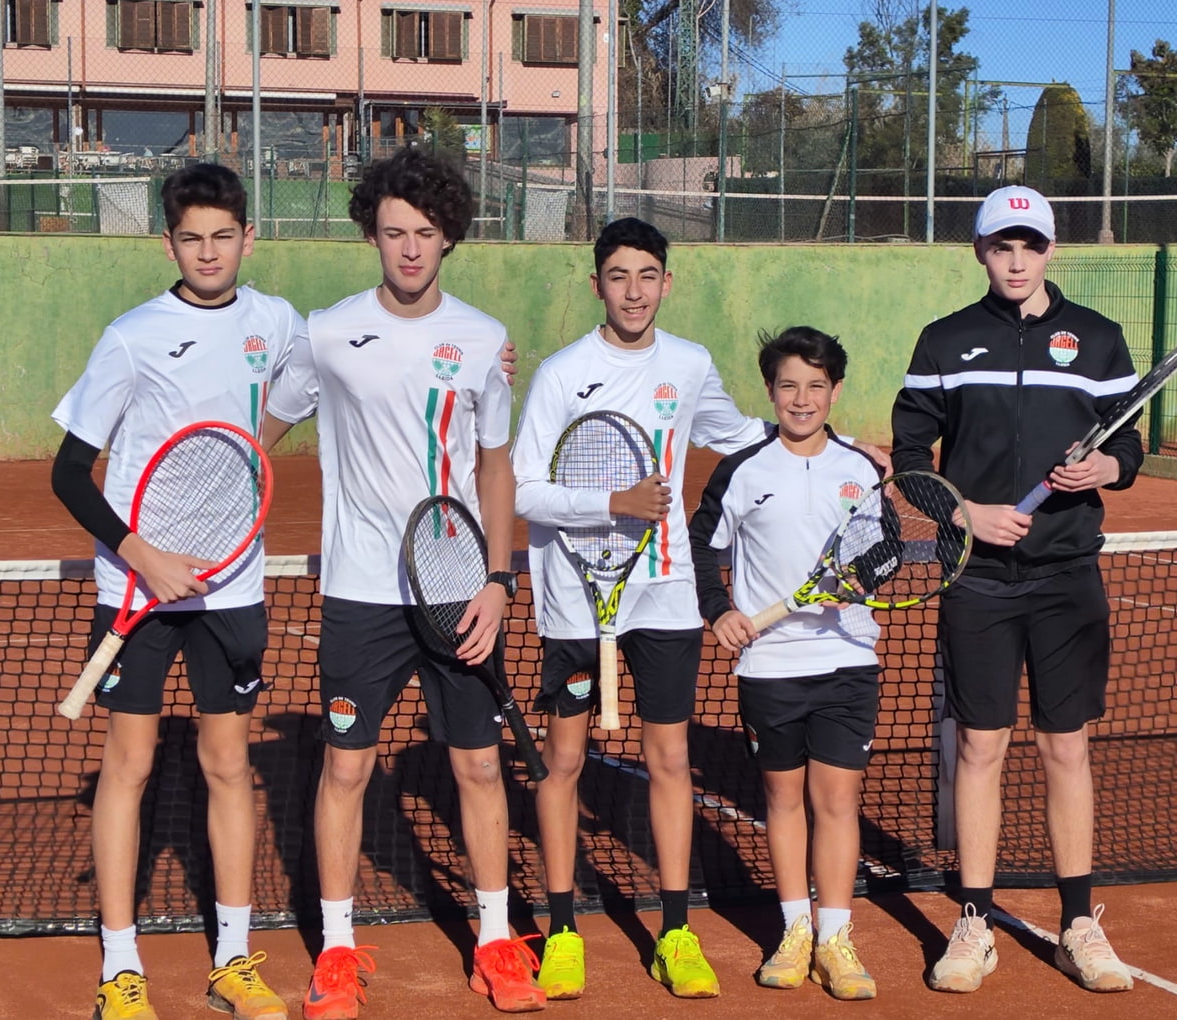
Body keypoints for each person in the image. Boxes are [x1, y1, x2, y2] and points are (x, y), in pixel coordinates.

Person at [511, 218, 890, 1001]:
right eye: (618, 276)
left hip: (668, 600)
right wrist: (611, 500)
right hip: (575, 606)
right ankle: (561, 933)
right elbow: (521, 488)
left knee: (671, 762)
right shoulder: (560, 374)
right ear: (597, 285)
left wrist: (848, 445)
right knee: (564, 763)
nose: (634, 291)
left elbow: (752, 433)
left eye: (648, 275)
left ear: (667, 283)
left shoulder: (687, 366)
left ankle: (676, 932)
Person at [260, 147, 537, 1017]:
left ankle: (496, 940)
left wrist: (497, 580)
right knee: (346, 770)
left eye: (424, 233)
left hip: (457, 588)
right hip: (358, 592)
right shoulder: (327, 331)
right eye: (392, 233)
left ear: (449, 236)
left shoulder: (485, 341)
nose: (409, 249)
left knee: (479, 767)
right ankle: (337, 953)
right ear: (370, 234)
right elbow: (261, 429)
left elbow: (495, 468)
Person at [51, 163, 297, 1020]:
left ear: (248, 237)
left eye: (223, 236)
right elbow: (70, 472)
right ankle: (121, 971)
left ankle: (233, 959)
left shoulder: (279, 322)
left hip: (231, 588)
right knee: (130, 766)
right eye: (191, 238)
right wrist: (141, 553)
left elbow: (332, 367)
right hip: (139, 588)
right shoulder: (131, 335)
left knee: (228, 767)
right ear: (169, 242)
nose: (208, 252)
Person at [889, 185, 1141, 995]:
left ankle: (1079, 923)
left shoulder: (1098, 340)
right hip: (979, 578)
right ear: (980, 251)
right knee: (980, 746)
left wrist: (1108, 466)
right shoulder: (943, 341)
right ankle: (974, 922)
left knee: (1066, 746)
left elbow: (1129, 440)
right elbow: (910, 461)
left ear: (1051, 251)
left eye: (1030, 245)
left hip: (1069, 574)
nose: (1017, 259)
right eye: (1003, 245)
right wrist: (972, 512)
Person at [688, 327, 884, 1001]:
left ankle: (834, 938)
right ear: (770, 392)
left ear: (835, 391)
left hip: (848, 659)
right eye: (789, 386)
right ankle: (794, 931)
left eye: (817, 386)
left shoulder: (861, 469)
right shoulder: (742, 468)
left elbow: (877, 554)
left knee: (836, 800)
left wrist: (863, 581)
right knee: (782, 800)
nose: (803, 399)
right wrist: (719, 610)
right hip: (769, 666)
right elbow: (697, 546)